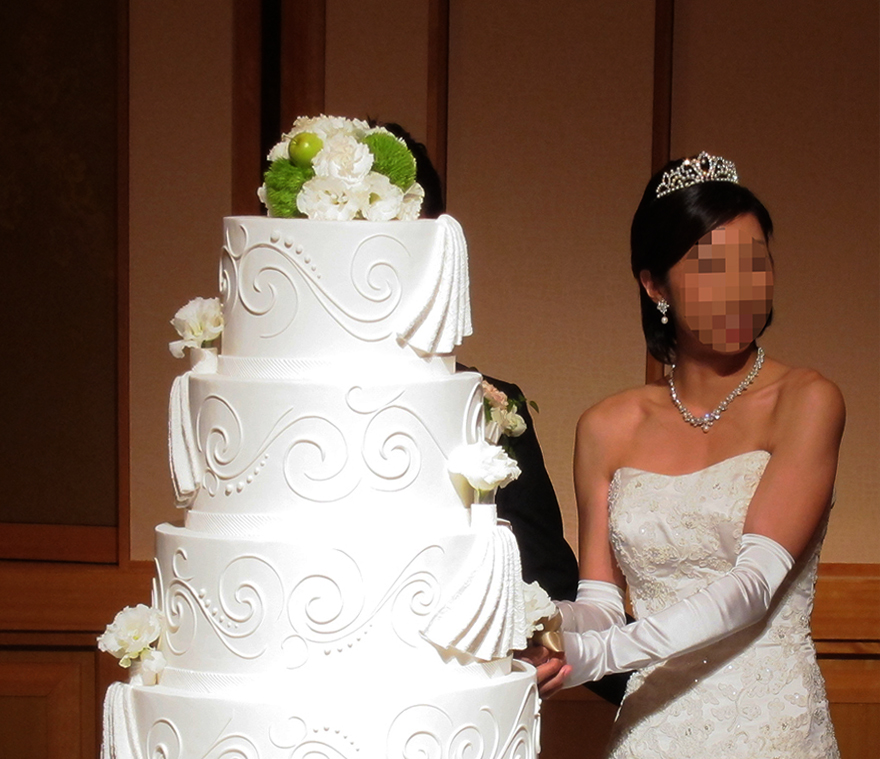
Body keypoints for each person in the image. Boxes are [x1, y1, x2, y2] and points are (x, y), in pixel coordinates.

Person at [533, 152, 844, 758]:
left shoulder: (807, 401)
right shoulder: (606, 426)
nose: (740, 289)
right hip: (652, 729)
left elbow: (753, 586)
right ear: (655, 285)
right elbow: (602, 605)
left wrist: (600, 655)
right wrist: (534, 626)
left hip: (773, 728)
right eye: (710, 268)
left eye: (754, 263)